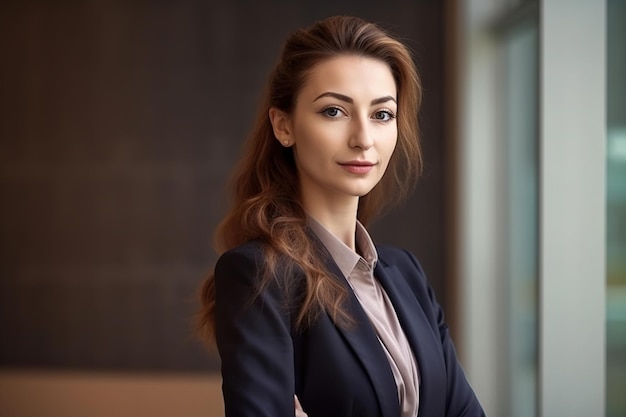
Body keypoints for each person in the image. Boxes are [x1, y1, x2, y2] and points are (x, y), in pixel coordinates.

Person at [198, 15, 485, 417]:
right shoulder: (259, 275)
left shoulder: (406, 274)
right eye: (334, 111)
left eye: (382, 115)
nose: (363, 138)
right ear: (284, 125)